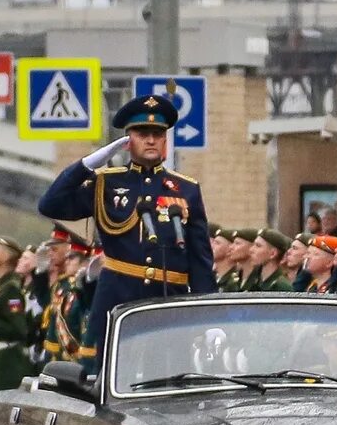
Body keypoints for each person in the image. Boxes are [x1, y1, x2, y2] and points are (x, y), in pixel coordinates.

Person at [36, 92, 215, 367]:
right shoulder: (105, 183)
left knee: (168, 383)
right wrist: (86, 166)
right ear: (128, 139)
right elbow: (51, 205)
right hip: (116, 300)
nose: (151, 139)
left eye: (157, 133)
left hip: (168, 304)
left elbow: (200, 260)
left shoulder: (186, 189)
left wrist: (208, 316)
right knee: (104, 381)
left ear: (166, 139)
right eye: (143, 133)